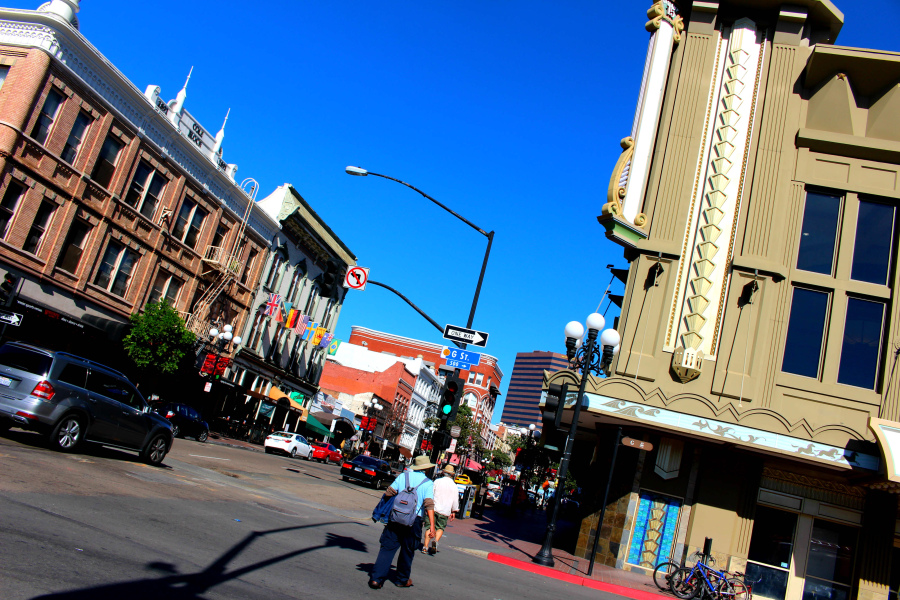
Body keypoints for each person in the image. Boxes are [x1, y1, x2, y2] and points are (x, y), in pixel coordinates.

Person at [369, 455, 436, 589]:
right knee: (408, 550)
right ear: (427, 469)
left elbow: (389, 493)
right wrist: (432, 527)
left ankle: (376, 579)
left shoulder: (403, 476)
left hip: (396, 517)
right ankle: (401, 579)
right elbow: (429, 504)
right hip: (414, 521)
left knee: (387, 548)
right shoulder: (428, 483)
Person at [423, 464, 459, 554]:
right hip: (445, 510)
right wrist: (454, 511)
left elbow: (431, 493)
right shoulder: (454, 486)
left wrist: (427, 506)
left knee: (429, 527)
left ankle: (425, 546)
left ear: (443, 472)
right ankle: (436, 540)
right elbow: (455, 500)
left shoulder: (437, 481)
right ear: (452, 474)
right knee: (440, 528)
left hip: (433, 508)